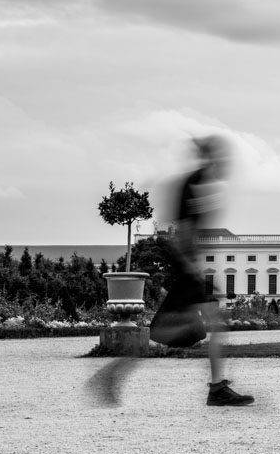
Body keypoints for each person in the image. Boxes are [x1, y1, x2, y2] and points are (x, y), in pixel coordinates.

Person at [88, 134, 253, 407]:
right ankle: (112, 374)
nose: (226, 164)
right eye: (222, 159)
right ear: (211, 158)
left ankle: (215, 387)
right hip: (188, 268)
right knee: (181, 332)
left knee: (191, 331)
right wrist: (193, 270)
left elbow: (188, 230)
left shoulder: (200, 184)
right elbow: (184, 231)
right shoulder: (194, 185)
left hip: (189, 266)